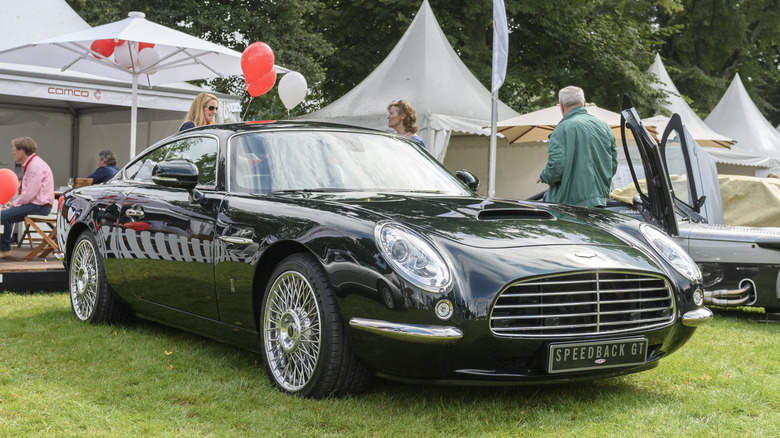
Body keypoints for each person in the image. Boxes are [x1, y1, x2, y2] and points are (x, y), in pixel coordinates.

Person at [537, 86, 617, 207]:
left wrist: (545, 176)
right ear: (584, 103)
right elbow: (613, 165)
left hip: (570, 207)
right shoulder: (604, 127)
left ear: (561, 106)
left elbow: (556, 167)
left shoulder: (561, 129)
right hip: (600, 202)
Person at [0, 137, 54, 259]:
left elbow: (30, 194)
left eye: (14, 150)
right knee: (4, 214)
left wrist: (13, 205)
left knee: (3, 216)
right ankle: (4, 248)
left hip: (38, 207)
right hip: (38, 206)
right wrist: (13, 204)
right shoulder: (34, 163)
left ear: (21, 151)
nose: (12, 152)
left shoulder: (34, 165)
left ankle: (5, 249)